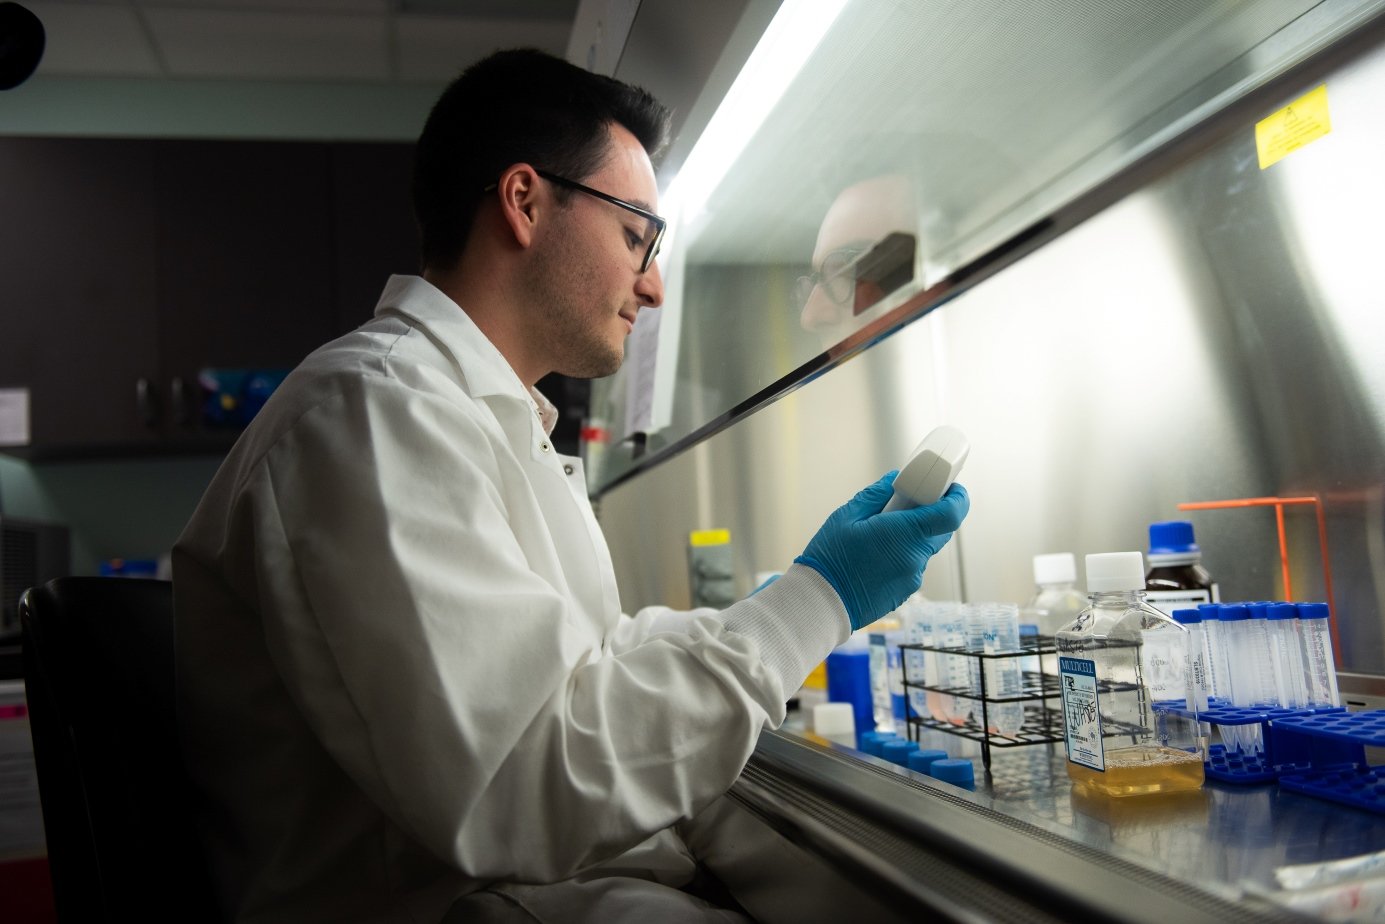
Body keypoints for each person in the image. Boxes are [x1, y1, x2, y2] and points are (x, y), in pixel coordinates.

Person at [173, 48, 969, 923]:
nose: (654, 284)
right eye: (637, 235)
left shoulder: (473, 416)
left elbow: (587, 666)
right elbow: (524, 778)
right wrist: (814, 601)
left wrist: (777, 607)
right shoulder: (372, 410)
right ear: (524, 202)